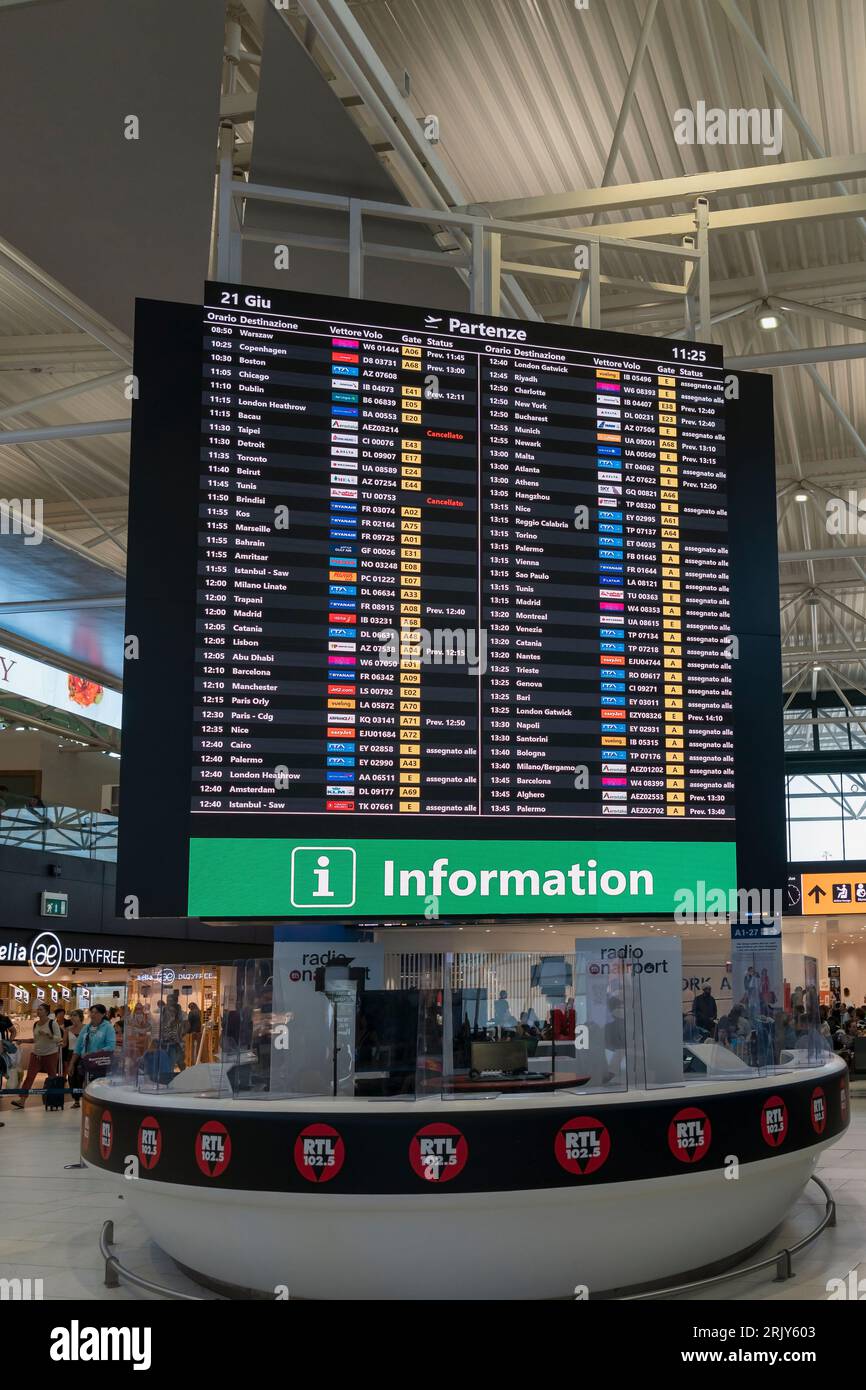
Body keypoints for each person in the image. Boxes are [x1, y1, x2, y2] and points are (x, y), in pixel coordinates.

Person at [10, 1003, 62, 1107]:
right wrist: (23, 1041)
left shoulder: (52, 1024)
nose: (38, 1011)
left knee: (52, 1077)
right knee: (29, 1077)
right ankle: (22, 1100)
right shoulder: (36, 1024)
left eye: (41, 1010)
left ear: (46, 1012)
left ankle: (53, 1100)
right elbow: (36, 1040)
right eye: (38, 1009)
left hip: (50, 1054)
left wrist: (49, 1035)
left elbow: (59, 1039)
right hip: (36, 1054)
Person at [73, 1003, 117, 1088]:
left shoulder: (108, 1027)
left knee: (97, 1087)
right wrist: (72, 1063)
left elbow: (111, 1046)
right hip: (85, 1062)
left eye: (96, 1013)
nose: (93, 1014)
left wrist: (94, 1054)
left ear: (103, 1014)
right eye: (92, 1012)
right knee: (83, 1086)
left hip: (99, 1063)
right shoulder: (86, 1027)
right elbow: (78, 1046)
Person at [160, 991, 187, 1070]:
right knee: (170, 1060)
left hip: (175, 1040)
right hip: (167, 1039)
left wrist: (181, 1034)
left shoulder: (178, 1009)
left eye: (171, 1000)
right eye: (168, 1000)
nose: (169, 1002)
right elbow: (163, 1023)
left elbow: (182, 1024)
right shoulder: (165, 1009)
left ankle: (179, 1074)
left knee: (178, 1060)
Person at [65, 1009, 85, 1106]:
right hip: (71, 1053)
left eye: (75, 1015)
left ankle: (83, 1097)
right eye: (71, 1015)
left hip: (83, 1054)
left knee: (81, 1076)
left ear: (80, 1017)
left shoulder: (86, 1028)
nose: (72, 1017)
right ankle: (76, 1100)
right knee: (72, 1077)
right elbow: (64, 1043)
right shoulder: (68, 1029)